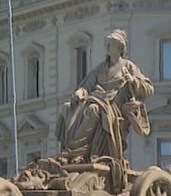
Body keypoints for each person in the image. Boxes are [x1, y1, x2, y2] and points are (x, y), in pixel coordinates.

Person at [56, 30, 154, 172]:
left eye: (111, 44)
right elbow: (86, 85)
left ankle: (75, 150)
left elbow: (148, 89)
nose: (107, 47)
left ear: (121, 48)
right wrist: (80, 92)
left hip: (114, 107)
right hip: (97, 99)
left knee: (93, 109)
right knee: (67, 107)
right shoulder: (101, 68)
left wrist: (132, 81)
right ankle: (69, 150)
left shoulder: (128, 67)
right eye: (107, 44)